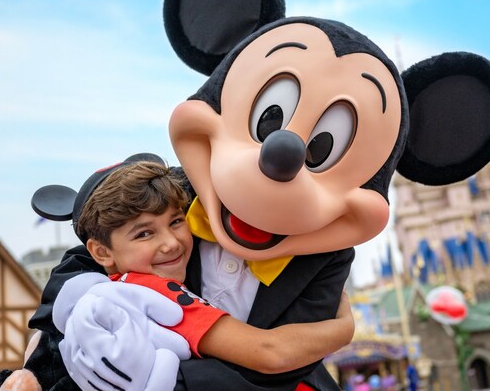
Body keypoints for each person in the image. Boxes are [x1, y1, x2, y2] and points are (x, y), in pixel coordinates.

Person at [75, 161, 354, 375]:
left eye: (176, 222)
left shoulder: (99, 297)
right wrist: (342, 330)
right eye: (144, 234)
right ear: (101, 252)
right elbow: (268, 352)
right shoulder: (154, 292)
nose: (171, 243)